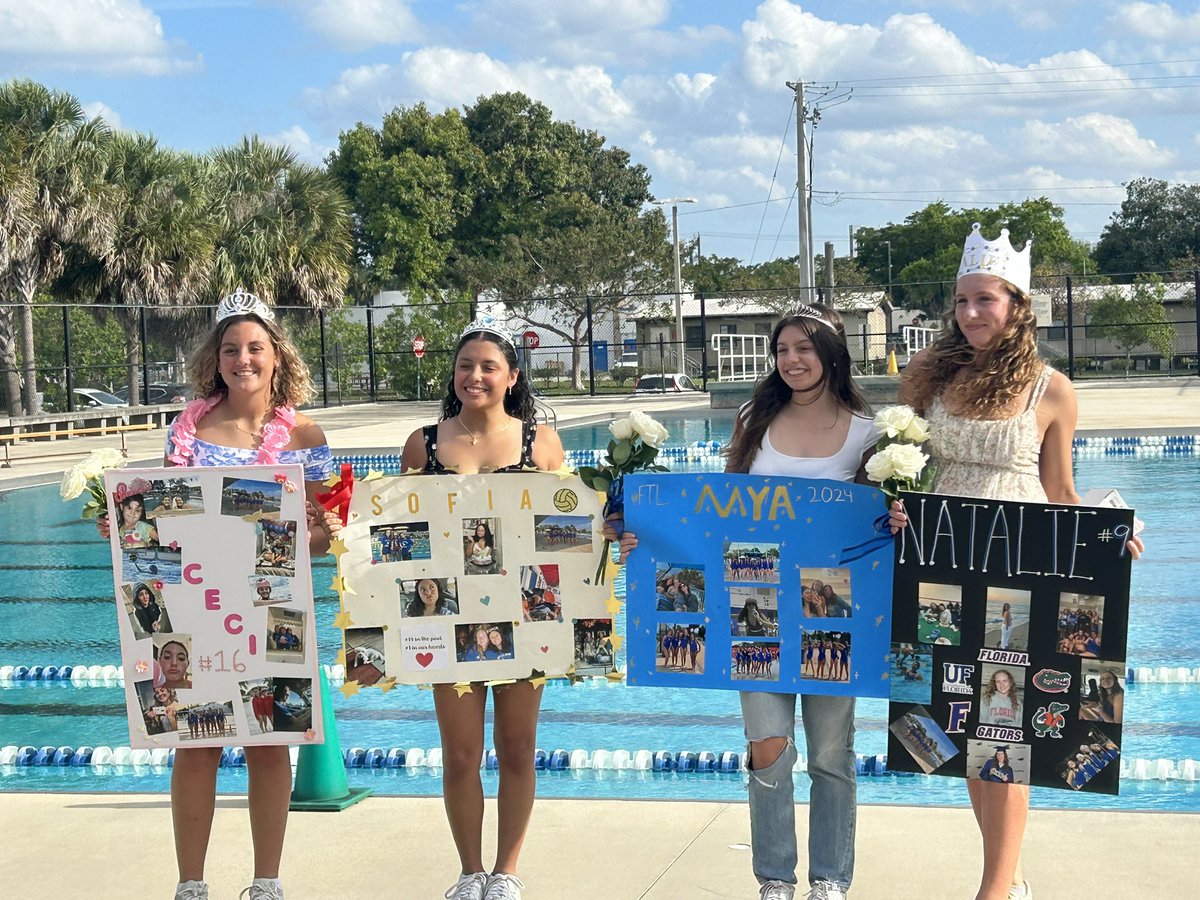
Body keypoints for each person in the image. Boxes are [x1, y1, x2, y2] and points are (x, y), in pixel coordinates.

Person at [889, 224, 1144, 900]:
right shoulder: (928, 377)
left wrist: (1110, 540)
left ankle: (994, 891)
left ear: (1017, 305)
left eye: (987, 300)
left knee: (1007, 731)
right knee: (961, 731)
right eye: (963, 300)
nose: (972, 313)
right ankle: (1009, 875)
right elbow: (904, 469)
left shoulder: (1052, 389)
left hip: (1019, 570)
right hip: (941, 562)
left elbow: (1061, 492)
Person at [611, 304, 879, 900]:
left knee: (832, 752)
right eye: (782, 350)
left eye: (804, 348)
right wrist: (643, 528)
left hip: (829, 613)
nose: (791, 360)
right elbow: (716, 510)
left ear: (831, 354)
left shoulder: (869, 433)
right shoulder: (752, 417)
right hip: (753, 607)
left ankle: (831, 877)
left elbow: (879, 526)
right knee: (768, 748)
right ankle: (775, 877)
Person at [101, 289, 338, 900]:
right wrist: (124, 527)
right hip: (190, 607)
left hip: (273, 607)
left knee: (268, 745)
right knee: (193, 744)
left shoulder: (305, 435)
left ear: (276, 356)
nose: (243, 359)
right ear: (216, 357)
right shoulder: (187, 426)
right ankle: (192, 884)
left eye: (255, 347)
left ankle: (266, 882)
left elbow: (327, 536)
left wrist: (305, 534)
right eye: (231, 348)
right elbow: (158, 520)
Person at [400, 311, 565, 900]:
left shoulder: (539, 441)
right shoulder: (424, 443)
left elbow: (564, 531)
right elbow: (404, 537)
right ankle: (470, 871)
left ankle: (508, 870)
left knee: (518, 748)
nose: (475, 375)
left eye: (489, 366)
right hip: (447, 615)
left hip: (524, 613)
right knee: (461, 752)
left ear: (512, 376)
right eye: (466, 365)